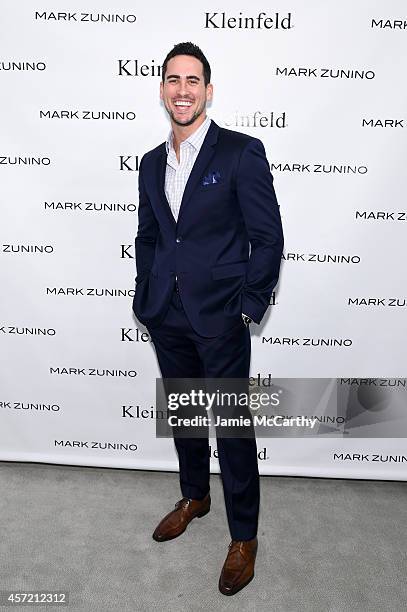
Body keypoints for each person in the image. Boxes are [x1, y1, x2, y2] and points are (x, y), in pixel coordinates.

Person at [132, 42, 284, 596]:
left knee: (234, 430)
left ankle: (244, 536)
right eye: (172, 80)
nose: (181, 90)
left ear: (208, 90)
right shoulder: (151, 162)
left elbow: (268, 237)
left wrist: (248, 305)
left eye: (192, 80)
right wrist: (143, 294)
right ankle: (195, 495)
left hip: (220, 316)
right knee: (186, 416)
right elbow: (150, 235)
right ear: (162, 89)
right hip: (166, 313)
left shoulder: (241, 152)